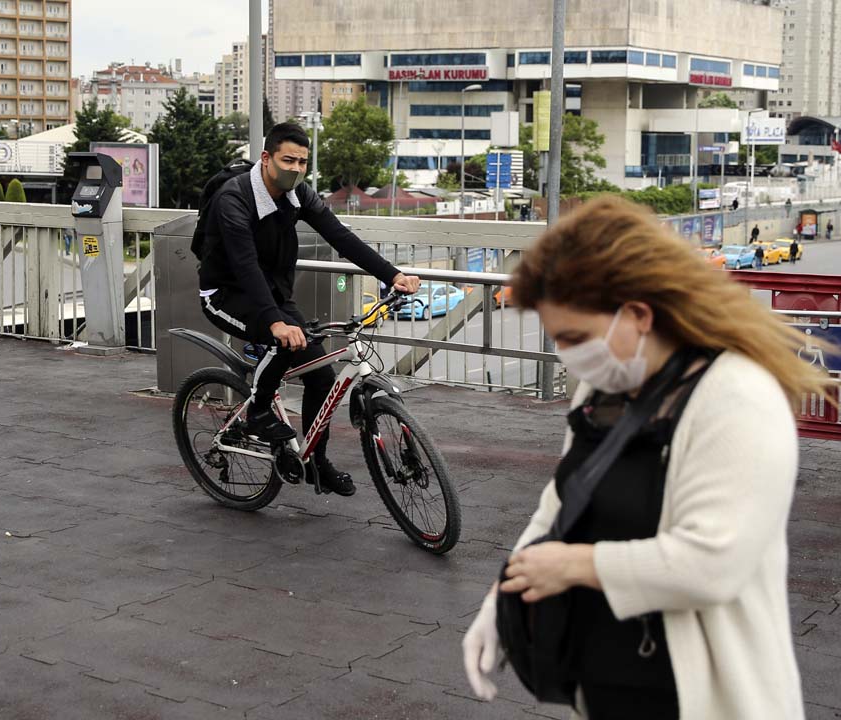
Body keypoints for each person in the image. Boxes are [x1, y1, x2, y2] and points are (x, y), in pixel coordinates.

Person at [463, 196, 827, 718]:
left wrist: (574, 565)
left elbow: (713, 564)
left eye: (575, 337)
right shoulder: (602, 389)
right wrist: (503, 598)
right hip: (608, 687)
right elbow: (562, 502)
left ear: (636, 315)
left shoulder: (739, 397)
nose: (567, 354)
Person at [198, 123, 421, 496]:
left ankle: (316, 462)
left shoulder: (297, 194)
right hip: (225, 295)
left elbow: (340, 236)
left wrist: (392, 274)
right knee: (281, 341)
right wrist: (275, 323)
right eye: (288, 160)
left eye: (302, 162)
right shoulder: (234, 198)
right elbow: (245, 265)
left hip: (273, 295)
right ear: (266, 158)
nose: (296, 169)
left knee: (322, 376)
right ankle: (258, 412)